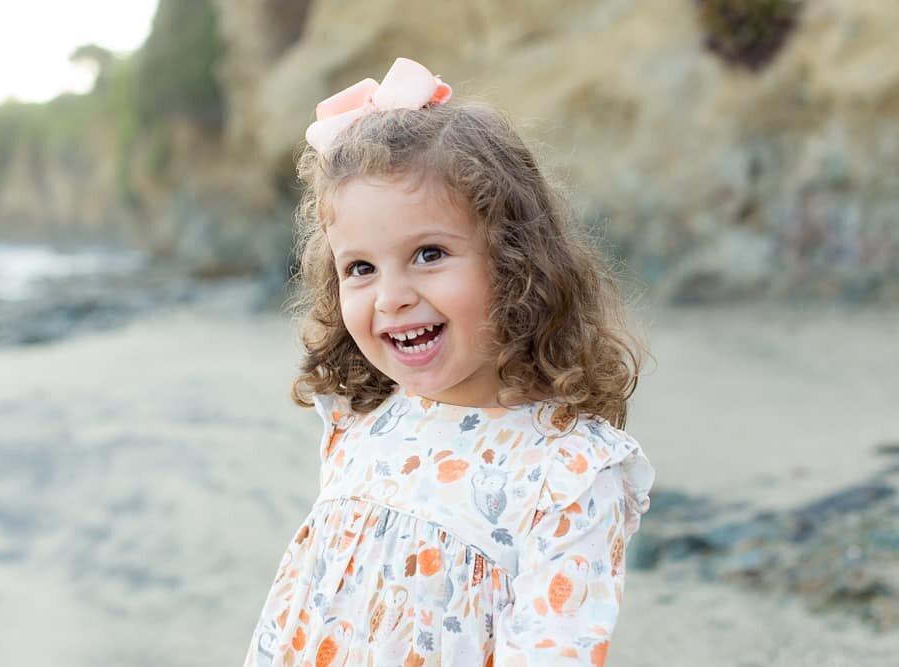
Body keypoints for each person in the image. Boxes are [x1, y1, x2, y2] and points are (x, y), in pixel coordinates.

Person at [243, 57, 656, 667]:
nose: (392, 296)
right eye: (361, 268)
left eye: (429, 253)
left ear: (515, 261)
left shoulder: (567, 474)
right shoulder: (359, 421)